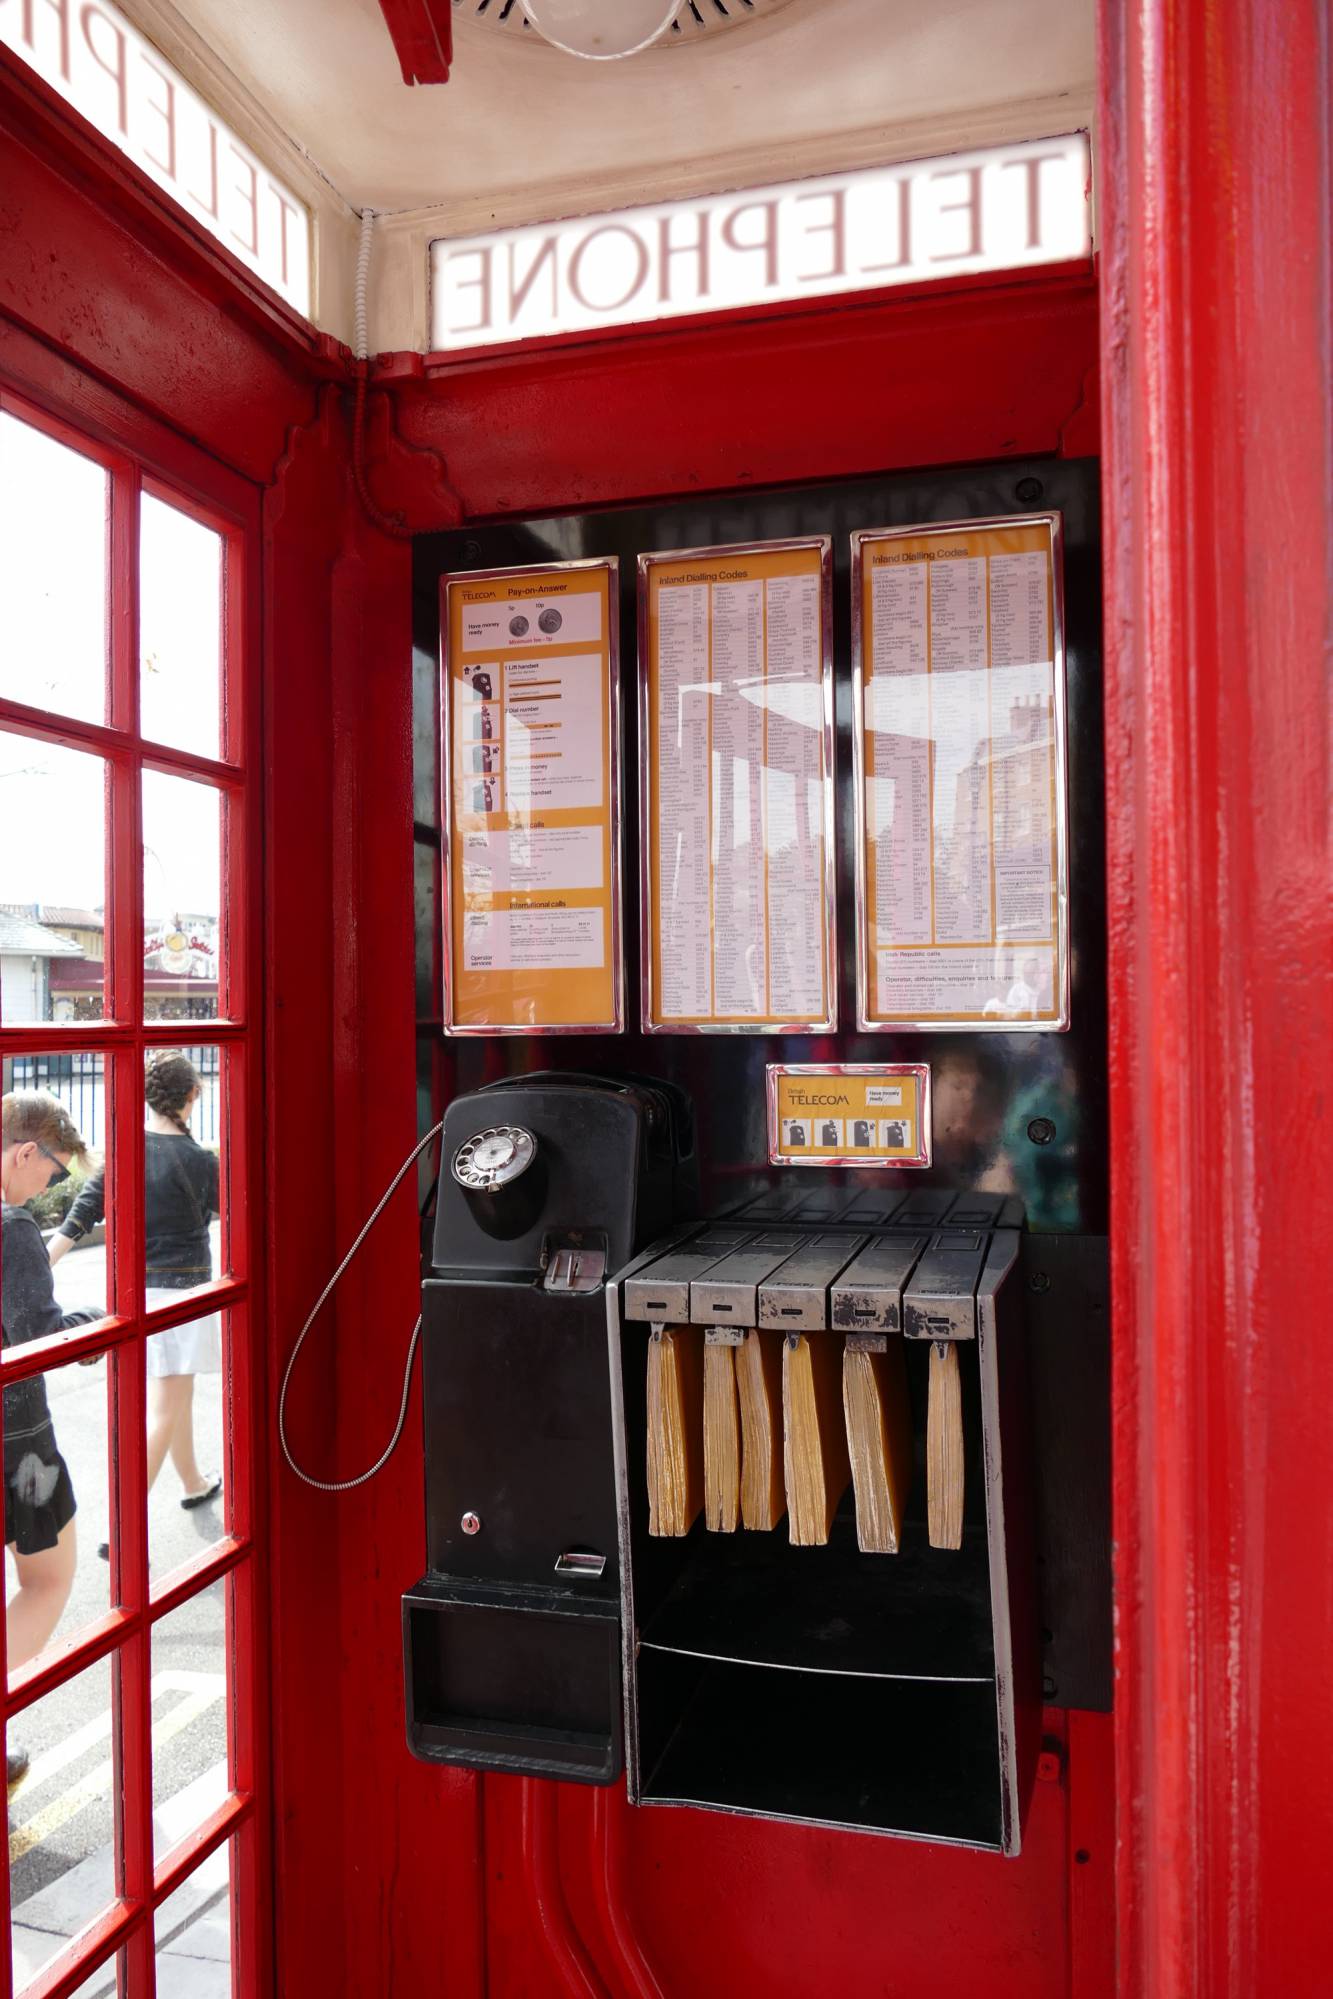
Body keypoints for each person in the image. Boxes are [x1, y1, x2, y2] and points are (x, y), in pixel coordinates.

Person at [50, 1052, 222, 1535]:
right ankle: (121, 1522)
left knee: (177, 1394)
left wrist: (44, 1263)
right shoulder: (198, 1160)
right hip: (183, 1298)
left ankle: (191, 1481)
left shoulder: (126, 1148)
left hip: (137, 1295)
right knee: (167, 1406)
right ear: (191, 1096)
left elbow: (83, 1210)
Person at [1, 1091, 96, 1787]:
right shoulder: (12, 1228)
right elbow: (38, 1336)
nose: (51, 1185)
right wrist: (93, 1326)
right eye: (56, 1171)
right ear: (25, 1151)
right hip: (18, 1443)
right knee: (49, 1578)